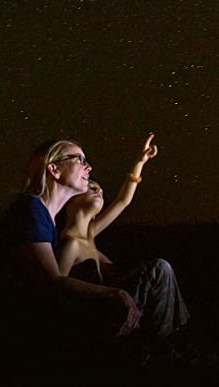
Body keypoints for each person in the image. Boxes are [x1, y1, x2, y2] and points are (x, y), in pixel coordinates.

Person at [0, 137, 142, 339]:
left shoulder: (45, 218)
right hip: (18, 330)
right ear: (54, 170)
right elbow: (50, 284)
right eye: (80, 160)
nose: (89, 167)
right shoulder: (30, 211)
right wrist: (114, 294)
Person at [57, 133, 190, 343]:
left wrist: (140, 162)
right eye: (91, 187)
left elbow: (123, 200)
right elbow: (56, 288)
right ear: (70, 200)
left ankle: (169, 337)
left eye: (100, 190)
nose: (98, 191)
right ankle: (162, 343)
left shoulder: (90, 233)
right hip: (98, 310)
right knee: (158, 268)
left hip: (114, 304)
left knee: (160, 269)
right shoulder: (70, 242)